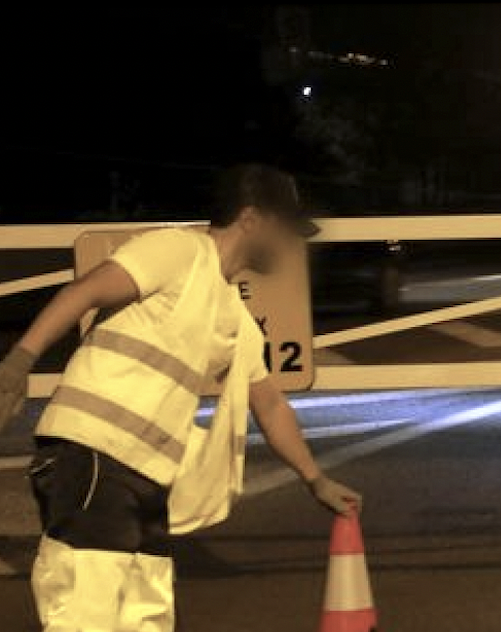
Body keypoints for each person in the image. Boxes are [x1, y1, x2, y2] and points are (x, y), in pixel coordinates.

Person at [0, 164, 362, 631]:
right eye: (284, 229)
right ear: (251, 219)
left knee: (146, 614)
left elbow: (270, 404)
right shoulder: (177, 250)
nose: (290, 244)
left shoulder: (234, 317)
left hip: (149, 476)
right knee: (85, 611)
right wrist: (19, 362)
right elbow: (85, 291)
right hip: (94, 455)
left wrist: (315, 480)